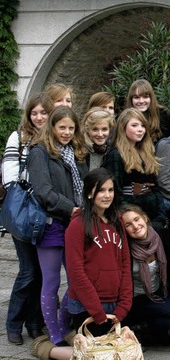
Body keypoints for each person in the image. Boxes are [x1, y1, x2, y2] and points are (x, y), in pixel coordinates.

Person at [31, 168, 132, 360]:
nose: (107, 195)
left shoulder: (117, 221)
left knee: (118, 353)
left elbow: (125, 265)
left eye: (110, 190)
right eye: (101, 190)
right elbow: (76, 273)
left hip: (115, 304)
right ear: (88, 193)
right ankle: (46, 348)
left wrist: (124, 306)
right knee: (94, 356)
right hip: (87, 305)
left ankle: (73, 340)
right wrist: (97, 312)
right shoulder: (77, 226)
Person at [27, 105, 88, 346]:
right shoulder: (39, 152)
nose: (66, 132)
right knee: (51, 282)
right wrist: (70, 208)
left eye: (71, 128)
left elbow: (83, 185)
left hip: (76, 225)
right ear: (52, 127)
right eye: (61, 127)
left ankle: (64, 326)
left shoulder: (77, 152)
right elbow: (43, 191)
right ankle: (53, 334)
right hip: (52, 224)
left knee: (76, 280)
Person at [3, 93, 53, 345]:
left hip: (47, 215)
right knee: (28, 271)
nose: (39, 117)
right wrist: (35, 193)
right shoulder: (19, 137)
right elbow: (9, 175)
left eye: (44, 112)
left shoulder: (55, 137)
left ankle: (35, 323)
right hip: (25, 212)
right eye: (35, 113)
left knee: (43, 272)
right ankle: (13, 324)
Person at [121, 203, 170, 344]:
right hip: (136, 300)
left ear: (145, 218)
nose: (135, 226)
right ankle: (141, 325)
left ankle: (145, 327)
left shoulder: (160, 238)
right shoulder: (125, 248)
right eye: (128, 224)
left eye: (136, 219)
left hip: (158, 293)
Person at [102, 108, 162, 228]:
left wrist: (161, 215)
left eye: (143, 126)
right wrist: (131, 216)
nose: (140, 129)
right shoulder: (116, 155)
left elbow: (156, 187)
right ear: (123, 127)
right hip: (130, 215)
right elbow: (116, 193)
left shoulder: (148, 153)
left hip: (152, 211)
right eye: (134, 125)